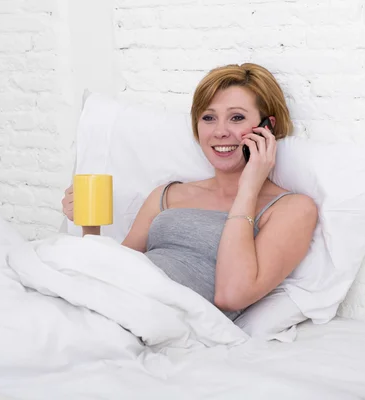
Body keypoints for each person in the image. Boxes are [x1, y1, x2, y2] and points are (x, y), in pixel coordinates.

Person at [61, 63, 318, 321]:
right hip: (108, 298)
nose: (220, 131)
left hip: (152, 316)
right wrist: (89, 228)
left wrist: (249, 188)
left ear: (267, 127)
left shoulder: (293, 209)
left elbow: (231, 295)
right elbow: (114, 267)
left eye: (237, 117)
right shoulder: (169, 194)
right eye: (208, 117)